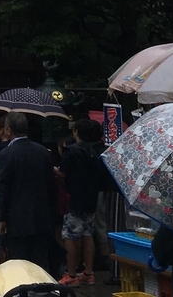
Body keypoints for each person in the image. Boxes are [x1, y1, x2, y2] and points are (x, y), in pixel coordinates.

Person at [0, 111, 55, 271]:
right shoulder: (43, 152)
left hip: (16, 217)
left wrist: (1, 217)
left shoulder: (5, 154)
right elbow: (50, 185)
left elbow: (3, 187)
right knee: (40, 262)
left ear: (8, 130)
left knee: (19, 263)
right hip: (41, 215)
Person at [57, 118, 103, 286]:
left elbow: (63, 173)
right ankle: (88, 272)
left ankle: (71, 274)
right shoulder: (94, 151)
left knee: (69, 235)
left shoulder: (71, 151)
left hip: (74, 198)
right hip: (90, 198)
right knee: (87, 234)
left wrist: (53, 169)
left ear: (76, 132)